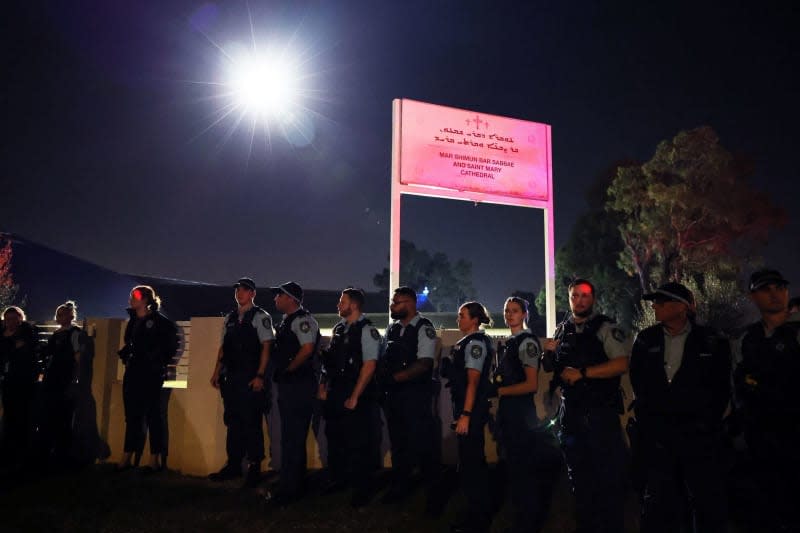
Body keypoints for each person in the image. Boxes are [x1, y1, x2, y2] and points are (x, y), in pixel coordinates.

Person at [630, 282, 731, 532]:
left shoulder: (711, 340)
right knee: (660, 503)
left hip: (698, 438)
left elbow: (721, 387)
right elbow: (638, 380)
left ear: (682, 307)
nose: (655, 306)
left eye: (662, 302)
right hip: (658, 438)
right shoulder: (645, 339)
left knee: (704, 501)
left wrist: (705, 423)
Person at [542, 278, 629, 533]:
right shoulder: (562, 329)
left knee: (608, 479)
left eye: (585, 296)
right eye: (575, 296)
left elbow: (622, 364)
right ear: (569, 299)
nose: (579, 300)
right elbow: (554, 368)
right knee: (578, 478)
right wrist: (548, 353)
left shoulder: (605, 328)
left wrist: (583, 372)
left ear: (593, 299)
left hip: (600, 415)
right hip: (572, 415)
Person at [733, 269, 800, 531]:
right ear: (753, 296)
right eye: (766, 289)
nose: (775, 294)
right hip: (761, 439)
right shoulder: (747, 339)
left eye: (779, 287)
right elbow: (738, 384)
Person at [492, 296, 560, 533]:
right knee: (515, 468)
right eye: (506, 310)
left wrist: (497, 390)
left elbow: (531, 384)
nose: (509, 314)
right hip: (510, 412)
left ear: (524, 315)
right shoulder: (512, 342)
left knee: (523, 470)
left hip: (520, 412)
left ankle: (529, 521)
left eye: (515, 311)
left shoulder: (526, 342)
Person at [376, 286, 439, 508]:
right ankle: (400, 485)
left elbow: (424, 363)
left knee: (422, 443)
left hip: (415, 395)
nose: (392, 306)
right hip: (394, 396)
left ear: (411, 304)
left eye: (397, 303)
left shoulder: (424, 328)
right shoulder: (392, 329)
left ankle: (433, 493)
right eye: (393, 302)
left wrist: (396, 378)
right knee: (398, 442)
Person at [318, 287, 381, 507]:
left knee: (360, 442)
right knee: (336, 438)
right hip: (336, 392)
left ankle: (362, 488)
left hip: (358, 394)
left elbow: (370, 365)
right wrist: (324, 385)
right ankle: (339, 479)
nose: (338, 304)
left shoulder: (367, 330)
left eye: (341, 301)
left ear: (353, 305)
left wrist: (355, 396)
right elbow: (330, 362)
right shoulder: (339, 329)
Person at [209, 278, 274, 487]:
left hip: (250, 377)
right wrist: (216, 371)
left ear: (253, 293)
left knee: (251, 422)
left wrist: (260, 375)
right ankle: (234, 464)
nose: (240, 293)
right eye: (238, 290)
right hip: (232, 378)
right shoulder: (230, 318)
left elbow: (266, 347)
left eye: (244, 290)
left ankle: (255, 466)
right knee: (233, 421)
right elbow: (223, 348)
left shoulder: (260, 316)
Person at [268, 281, 320, 505]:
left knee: (294, 437)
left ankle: (291, 489)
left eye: (279, 295)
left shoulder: (302, 320)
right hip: (291, 385)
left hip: (298, 386)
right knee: (290, 437)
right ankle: (292, 483)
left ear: (291, 299)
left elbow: (307, 349)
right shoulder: (287, 321)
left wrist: (289, 369)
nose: (275, 299)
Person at [117, 285, 179, 472]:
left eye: (135, 296)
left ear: (145, 299)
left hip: (151, 374)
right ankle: (127, 456)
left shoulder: (161, 323)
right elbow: (130, 343)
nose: (131, 299)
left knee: (154, 415)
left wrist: (156, 362)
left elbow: (170, 346)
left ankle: (154, 459)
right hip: (133, 373)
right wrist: (126, 355)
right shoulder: (133, 321)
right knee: (132, 416)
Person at [445, 302, 494, 533]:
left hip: (471, 412)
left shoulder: (475, 343)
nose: (458, 319)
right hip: (466, 410)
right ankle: (476, 512)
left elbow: (473, 382)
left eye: (462, 316)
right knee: (470, 462)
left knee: (472, 464)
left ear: (474, 320)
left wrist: (465, 415)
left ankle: (478, 518)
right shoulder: (467, 342)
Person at [41, 301, 89, 466]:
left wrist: (74, 380)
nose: (60, 317)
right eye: (58, 314)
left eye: (63, 314)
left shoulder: (74, 333)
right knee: (50, 416)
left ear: (71, 315)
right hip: (52, 379)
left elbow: (77, 358)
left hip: (64, 379)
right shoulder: (56, 334)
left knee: (64, 417)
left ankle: (63, 455)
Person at [0, 306, 37, 469]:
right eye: (8, 319)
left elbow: (29, 354)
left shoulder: (27, 334)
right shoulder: (3, 336)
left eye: (14, 319)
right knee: (8, 414)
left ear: (20, 319)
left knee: (21, 415)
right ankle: (9, 451)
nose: (10, 322)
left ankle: (20, 453)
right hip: (7, 380)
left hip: (23, 381)